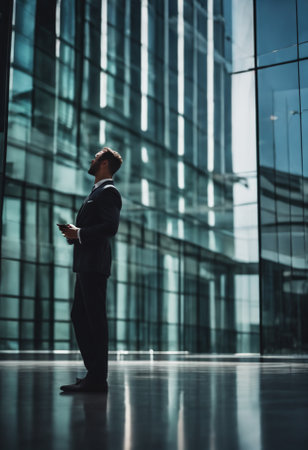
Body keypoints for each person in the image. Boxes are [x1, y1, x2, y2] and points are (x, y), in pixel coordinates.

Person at [58, 147, 123, 393]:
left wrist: (80, 233)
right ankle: (94, 374)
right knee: (81, 316)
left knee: (94, 319)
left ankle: (97, 378)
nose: (92, 159)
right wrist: (75, 234)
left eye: (96, 157)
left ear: (104, 163)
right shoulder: (96, 192)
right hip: (86, 262)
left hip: (94, 265)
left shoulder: (109, 192)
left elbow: (110, 226)